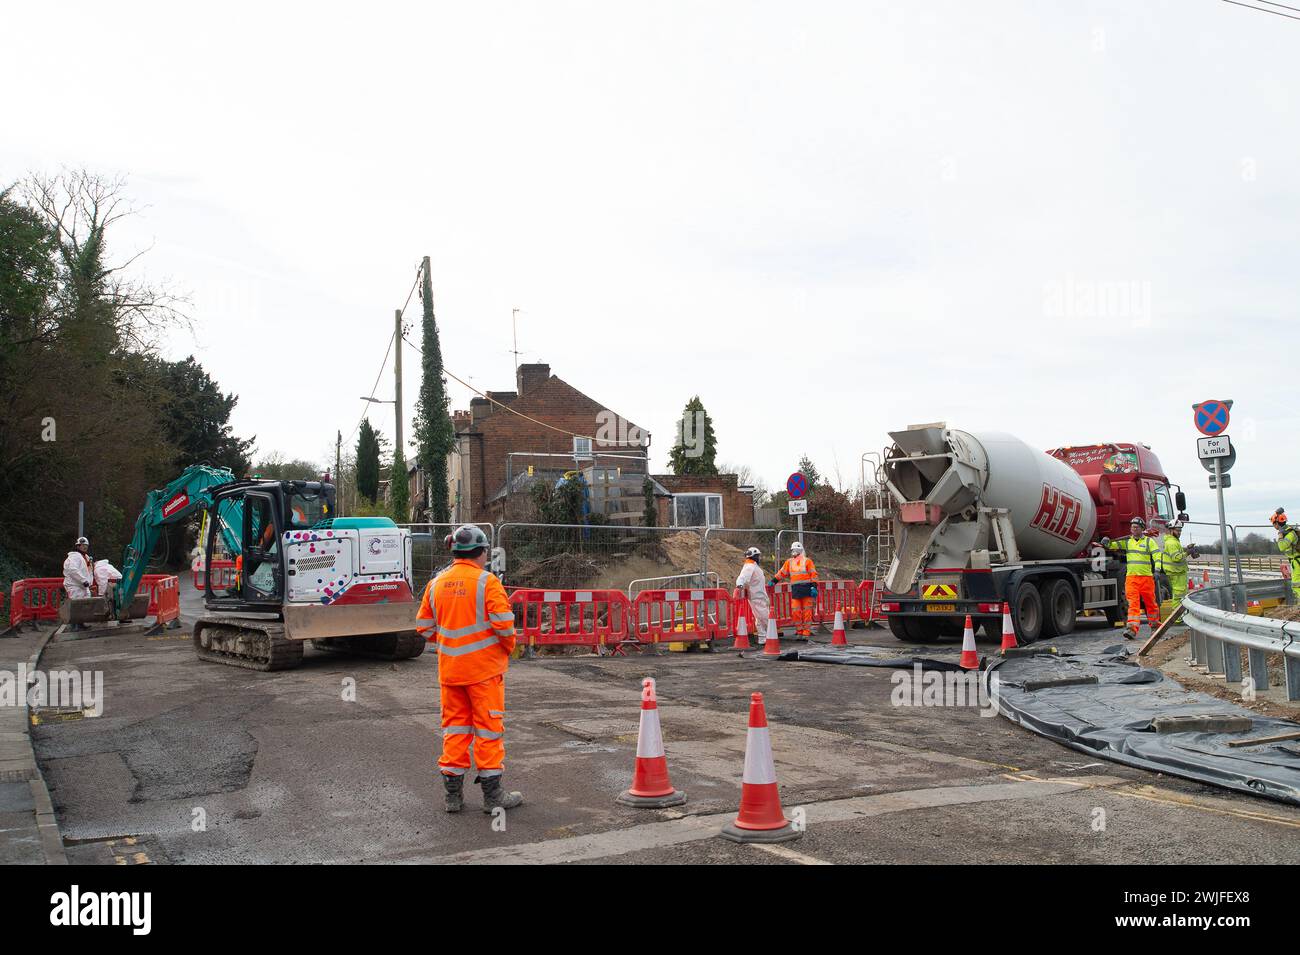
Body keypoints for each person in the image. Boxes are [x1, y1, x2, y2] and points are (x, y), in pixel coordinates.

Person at [416, 524, 522, 814]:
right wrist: (507, 647)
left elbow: (423, 626)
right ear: (482, 551)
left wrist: (448, 640)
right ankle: (493, 797)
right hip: (484, 673)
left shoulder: (437, 583)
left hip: (451, 672)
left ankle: (453, 797)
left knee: (455, 731)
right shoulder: (486, 582)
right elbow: (504, 625)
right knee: (488, 732)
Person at [1103, 517, 1161, 638]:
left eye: (1136, 527)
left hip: (1146, 578)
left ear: (1142, 529)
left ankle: (1155, 626)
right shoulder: (1127, 542)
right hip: (1131, 578)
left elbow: (1157, 555)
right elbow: (1112, 545)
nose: (1133, 529)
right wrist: (1106, 542)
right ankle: (1132, 629)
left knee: (1150, 603)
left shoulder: (1149, 542)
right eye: (1132, 527)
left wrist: (1157, 570)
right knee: (1133, 604)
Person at [774, 541, 818, 638]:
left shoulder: (807, 561)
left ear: (800, 551)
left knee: (807, 611)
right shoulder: (789, 562)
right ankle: (799, 631)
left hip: (807, 589)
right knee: (796, 611)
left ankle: (806, 631)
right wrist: (774, 581)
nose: (794, 552)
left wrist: (814, 587)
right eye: (793, 550)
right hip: (796, 590)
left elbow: (813, 575)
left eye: (796, 550)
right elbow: (782, 572)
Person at [734, 547, 769, 639]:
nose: (759, 558)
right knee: (764, 616)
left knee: (759, 617)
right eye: (758, 556)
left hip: (758, 595)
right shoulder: (750, 566)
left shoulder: (752, 566)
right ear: (754, 557)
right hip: (756, 595)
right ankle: (770, 635)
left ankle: (763, 637)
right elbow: (742, 577)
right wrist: (740, 584)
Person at [1158, 521, 1189, 605]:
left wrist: (1186, 549)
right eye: (1177, 530)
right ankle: (1178, 617)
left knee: (1180, 596)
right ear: (1171, 530)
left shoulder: (1174, 541)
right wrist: (1187, 553)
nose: (1179, 533)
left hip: (1177, 572)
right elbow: (1176, 558)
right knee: (1179, 597)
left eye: (1180, 531)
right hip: (1176, 573)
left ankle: (1178, 616)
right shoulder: (1172, 542)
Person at [1272, 509, 1300, 601]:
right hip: (1295, 561)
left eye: (1274, 524)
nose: (1274, 526)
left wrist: (1280, 537)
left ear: (1277, 523)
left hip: (1297, 562)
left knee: (1296, 585)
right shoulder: (1288, 532)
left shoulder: (1289, 533)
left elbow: (1282, 547)